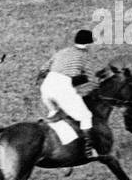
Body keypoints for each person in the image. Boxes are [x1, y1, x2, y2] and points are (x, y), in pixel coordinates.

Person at [40, 29, 98, 159]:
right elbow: (91, 80)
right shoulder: (85, 56)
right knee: (86, 116)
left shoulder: (63, 51)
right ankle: (89, 149)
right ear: (88, 44)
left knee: (56, 115)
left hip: (47, 85)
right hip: (62, 87)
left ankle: (62, 145)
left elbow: (43, 69)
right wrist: (91, 89)